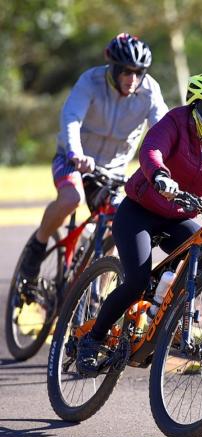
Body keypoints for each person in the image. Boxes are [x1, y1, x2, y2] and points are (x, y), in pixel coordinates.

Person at [76, 70, 202, 376]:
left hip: (180, 216)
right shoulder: (176, 122)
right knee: (135, 281)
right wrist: (159, 175)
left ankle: (158, 311)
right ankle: (91, 341)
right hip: (139, 211)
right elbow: (151, 150)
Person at [20, 32, 168, 285]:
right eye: (125, 71)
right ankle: (37, 245)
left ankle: (97, 294)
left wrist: (168, 165)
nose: (132, 79)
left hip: (113, 172)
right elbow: (72, 118)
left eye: (138, 72)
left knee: (116, 222)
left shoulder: (149, 91)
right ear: (113, 67)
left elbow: (163, 130)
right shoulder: (91, 81)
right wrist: (75, 153)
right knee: (71, 198)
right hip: (74, 159)